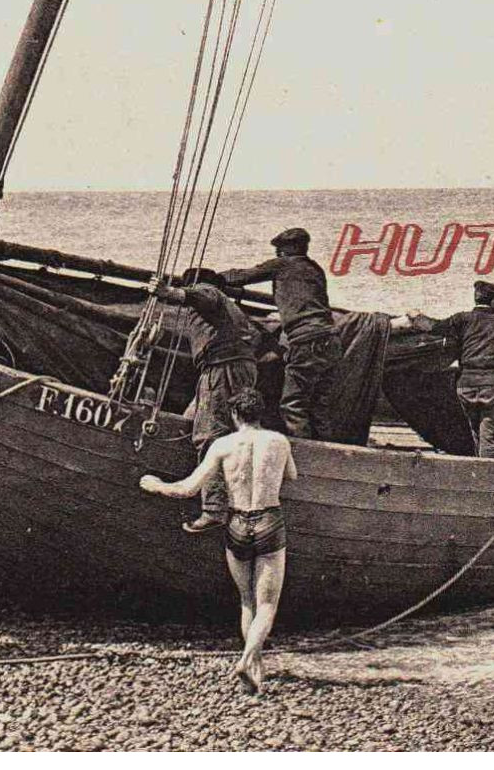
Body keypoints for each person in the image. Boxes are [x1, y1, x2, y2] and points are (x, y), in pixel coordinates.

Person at [140, 388, 296, 694]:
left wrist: (157, 485)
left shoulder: (222, 445)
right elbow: (291, 475)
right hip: (268, 521)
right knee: (267, 604)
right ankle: (247, 660)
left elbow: (187, 488)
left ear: (236, 416)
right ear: (260, 414)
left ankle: (255, 669)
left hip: (236, 522)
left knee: (247, 600)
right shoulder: (279, 441)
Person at [154, 267, 261, 533]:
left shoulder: (208, 292)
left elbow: (202, 296)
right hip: (231, 368)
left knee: (211, 434)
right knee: (194, 420)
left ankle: (214, 509)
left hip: (221, 368)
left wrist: (170, 292)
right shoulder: (231, 313)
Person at [222, 228, 337, 440]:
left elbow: (240, 276)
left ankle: (304, 459)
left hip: (305, 339)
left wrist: (209, 278)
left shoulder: (283, 264)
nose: (278, 254)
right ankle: (327, 454)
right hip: (330, 339)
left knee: (293, 404)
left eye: (280, 250)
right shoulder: (315, 269)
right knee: (319, 405)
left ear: (290, 249)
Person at [423, 280, 494, 458]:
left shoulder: (462, 319)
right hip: (492, 386)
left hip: (465, 384)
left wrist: (416, 317)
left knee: (469, 434)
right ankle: (485, 478)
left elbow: (434, 327)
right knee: (489, 439)